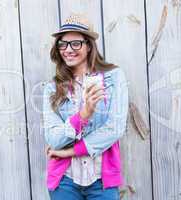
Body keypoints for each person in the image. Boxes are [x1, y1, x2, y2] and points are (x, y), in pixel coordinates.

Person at [42, 13, 129, 200]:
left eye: (75, 43)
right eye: (63, 44)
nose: (68, 49)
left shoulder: (114, 77)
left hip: (101, 182)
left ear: (89, 45)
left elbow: (115, 128)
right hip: (64, 181)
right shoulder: (51, 88)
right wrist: (83, 115)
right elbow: (54, 139)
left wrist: (69, 151)